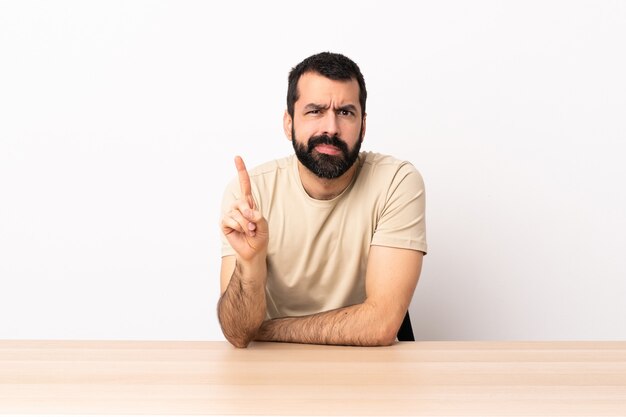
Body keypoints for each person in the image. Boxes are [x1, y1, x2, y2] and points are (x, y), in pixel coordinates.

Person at [218, 52, 427, 348]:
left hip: (368, 372)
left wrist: (266, 330)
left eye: (345, 112)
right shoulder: (252, 194)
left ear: (363, 126)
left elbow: (381, 325)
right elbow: (238, 333)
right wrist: (250, 263)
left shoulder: (396, 182)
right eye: (315, 111)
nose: (331, 128)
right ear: (289, 123)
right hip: (272, 373)